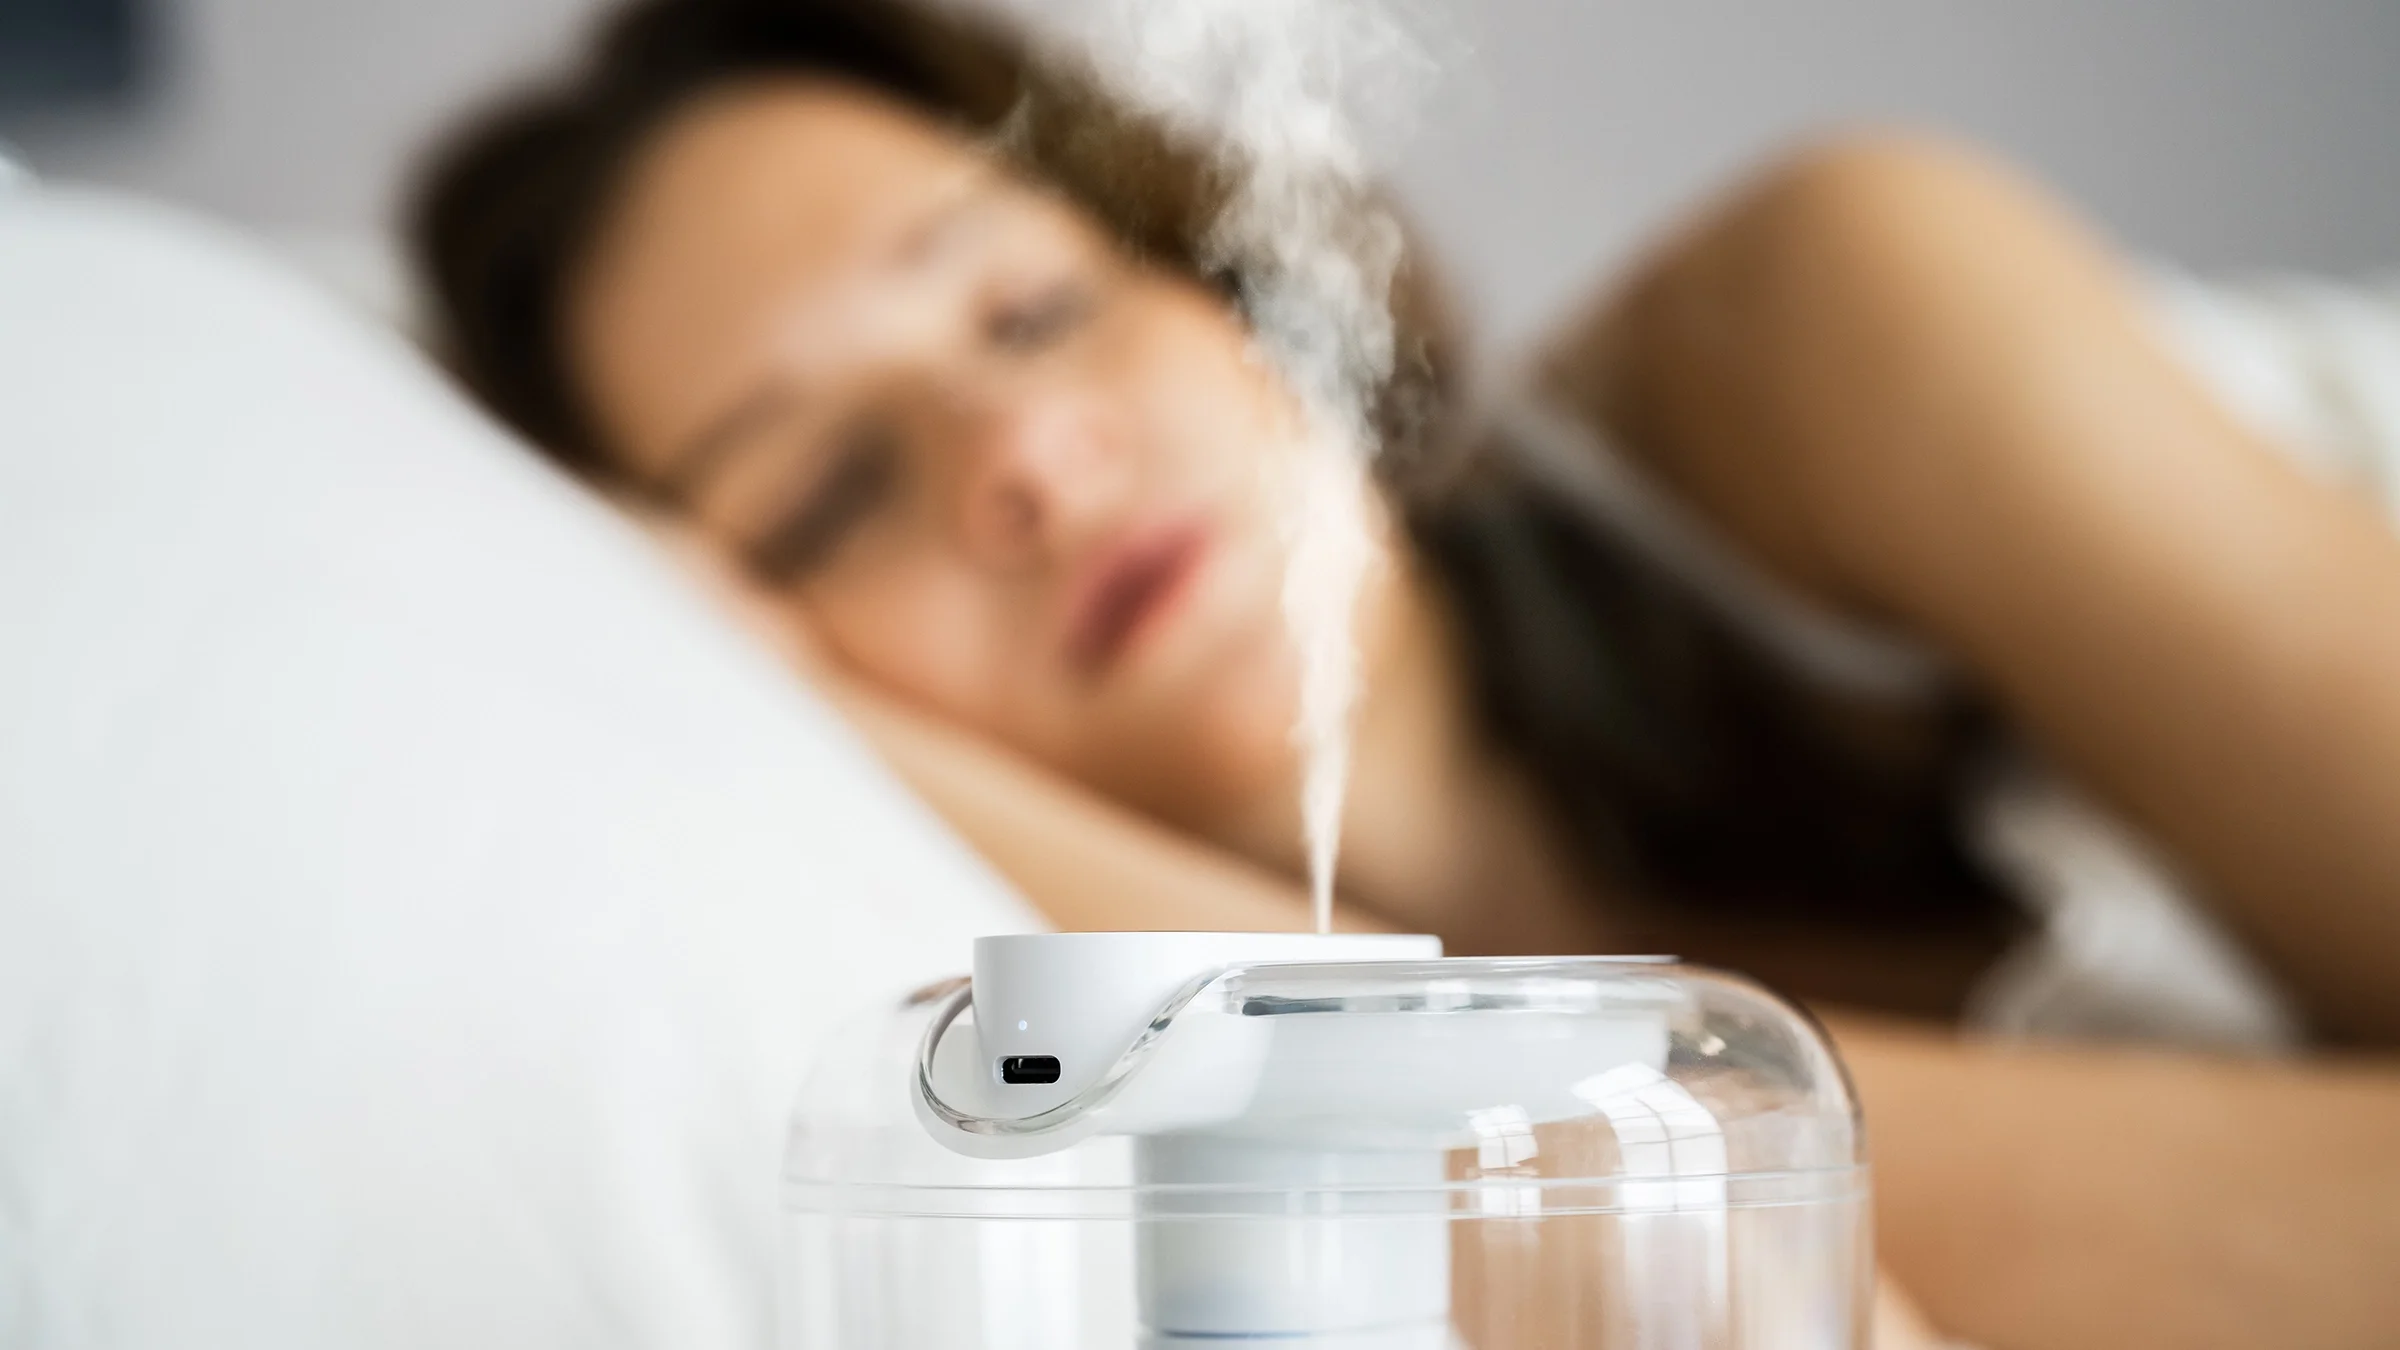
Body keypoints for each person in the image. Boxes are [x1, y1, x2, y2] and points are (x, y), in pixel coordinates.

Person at [407, 1, 2400, 1345]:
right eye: (829, 496)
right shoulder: (1035, 1124)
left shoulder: (1823, 327)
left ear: (1227, 279)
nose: (1020, 462)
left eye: (1028, 307)